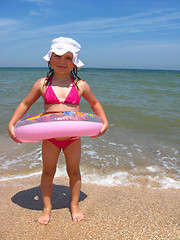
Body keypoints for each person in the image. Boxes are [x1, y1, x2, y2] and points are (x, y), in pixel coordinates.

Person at [8, 36, 108, 225]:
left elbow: (94, 103)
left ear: (75, 63)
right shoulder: (42, 84)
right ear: (50, 58)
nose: (62, 61)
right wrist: (13, 123)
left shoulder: (80, 85)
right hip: (50, 138)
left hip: (73, 138)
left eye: (68, 58)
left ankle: (75, 205)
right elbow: (25, 103)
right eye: (58, 56)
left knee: (74, 172)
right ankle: (47, 208)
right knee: (48, 173)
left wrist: (103, 121)